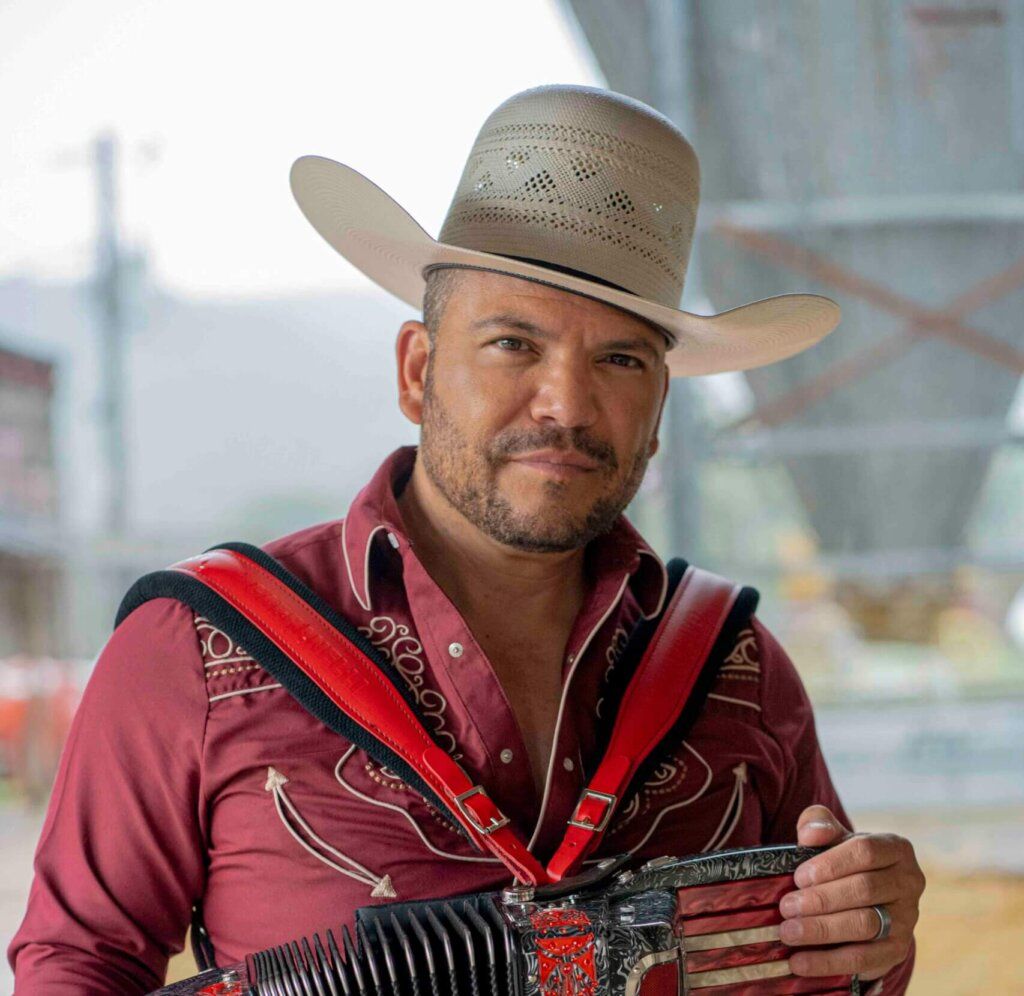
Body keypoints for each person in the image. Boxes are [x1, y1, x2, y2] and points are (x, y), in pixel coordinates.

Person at [9, 84, 923, 994]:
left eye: (620, 360)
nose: (566, 404)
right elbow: (74, 966)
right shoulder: (193, 650)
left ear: (657, 415)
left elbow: (834, 968)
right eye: (514, 344)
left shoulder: (738, 665)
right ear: (417, 371)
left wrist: (872, 940)